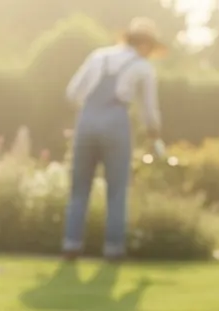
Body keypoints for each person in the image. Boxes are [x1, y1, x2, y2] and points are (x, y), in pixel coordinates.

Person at [62, 17, 167, 261]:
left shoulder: (99, 55)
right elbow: (148, 111)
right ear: (147, 45)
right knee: (117, 189)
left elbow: (72, 92)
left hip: (86, 122)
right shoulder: (143, 67)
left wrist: (89, 114)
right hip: (116, 123)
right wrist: (154, 133)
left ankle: (71, 245)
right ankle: (113, 250)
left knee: (79, 188)